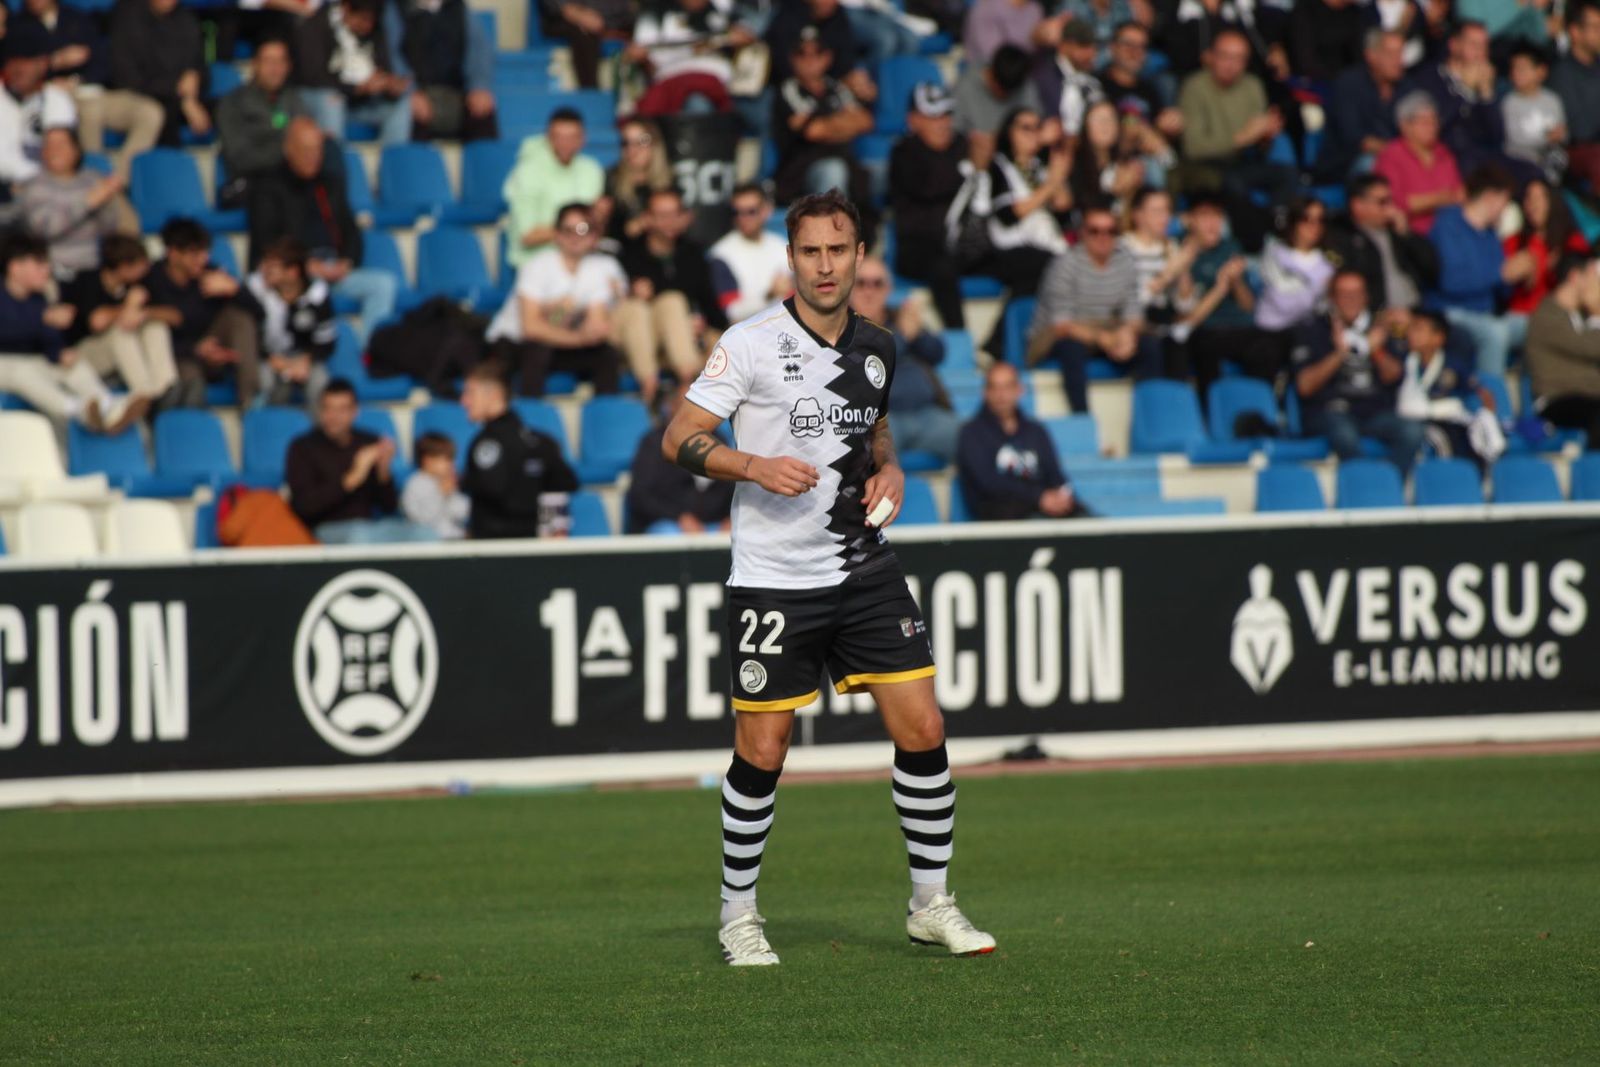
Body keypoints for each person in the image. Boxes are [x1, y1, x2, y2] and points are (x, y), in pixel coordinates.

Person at [659, 188, 996, 966]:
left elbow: (873, 430)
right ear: (791, 258)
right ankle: (737, 915)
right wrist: (751, 464)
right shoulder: (747, 343)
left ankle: (930, 903)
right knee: (764, 748)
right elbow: (681, 435)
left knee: (925, 728)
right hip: (775, 576)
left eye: (837, 250)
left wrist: (894, 471)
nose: (823, 265)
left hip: (862, 564)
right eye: (809, 251)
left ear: (858, 257)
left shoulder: (878, 345)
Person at [247, 117, 397, 334]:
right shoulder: (268, 188)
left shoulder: (330, 184)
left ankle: (367, 355)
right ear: (289, 149)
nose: (313, 157)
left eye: (318, 150)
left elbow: (351, 232)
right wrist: (305, 265)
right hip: (294, 273)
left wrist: (347, 262)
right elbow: (267, 242)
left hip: (333, 271)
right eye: (306, 150)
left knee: (384, 284)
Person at [0, 233, 145, 433]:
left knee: (73, 362)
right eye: (39, 264)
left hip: (33, 361)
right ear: (15, 267)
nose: (46, 270)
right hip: (7, 365)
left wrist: (59, 352)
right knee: (22, 373)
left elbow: (49, 339)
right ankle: (77, 410)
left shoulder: (39, 298)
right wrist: (42, 318)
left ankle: (106, 403)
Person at [1029, 201, 1162, 413]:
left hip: (1108, 331)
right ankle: (1082, 418)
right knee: (1071, 348)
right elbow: (1062, 325)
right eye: (1095, 231)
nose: (1103, 237)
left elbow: (1134, 315)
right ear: (1083, 233)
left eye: (1110, 231)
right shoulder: (1064, 264)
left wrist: (1127, 334)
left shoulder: (1125, 261)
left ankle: (1151, 415)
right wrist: (1105, 339)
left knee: (1149, 345)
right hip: (1057, 336)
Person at [485, 201, 625, 397]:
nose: (575, 236)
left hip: (560, 341)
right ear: (557, 234)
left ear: (594, 235)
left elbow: (596, 321)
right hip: (513, 343)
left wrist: (589, 330)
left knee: (606, 354)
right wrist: (579, 337)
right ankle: (531, 414)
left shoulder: (597, 269)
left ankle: (608, 415)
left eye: (582, 229)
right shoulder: (538, 265)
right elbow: (531, 328)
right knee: (537, 351)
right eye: (567, 230)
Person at [1176, 29, 1300, 252]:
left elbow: (1260, 146)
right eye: (1225, 56)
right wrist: (1242, 138)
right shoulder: (1194, 87)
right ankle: (1253, 244)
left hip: (1243, 163)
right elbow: (1194, 148)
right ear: (1210, 56)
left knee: (1287, 173)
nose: (1231, 64)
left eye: (1239, 58)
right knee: (1233, 183)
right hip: (1203, 167)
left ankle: (1276, 228)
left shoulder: (1252, 86)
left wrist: (1266, 136)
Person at [15, 0, 164, 182]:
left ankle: (118, 180)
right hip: (49, 99)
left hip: (90, 90)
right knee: (91, 111)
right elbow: (15, 77)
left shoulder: (77, 18)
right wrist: (54, 64)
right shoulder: (18, 26)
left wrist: (77, 81)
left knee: (150, 112)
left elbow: (102, 62)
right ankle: (94, 181)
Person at [1291, 268, 1424, 471]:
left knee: (1412, 431)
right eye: (1344, 294)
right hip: (1331, 411)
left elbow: (1394, 376)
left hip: (1374, 412)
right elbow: (1304, 386)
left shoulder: (1380, 328)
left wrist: (1375, 350)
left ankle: (1389, 487)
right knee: (1344, 433)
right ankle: (1364, 488)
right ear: (1332, 298)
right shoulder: (1314, 329)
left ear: (1366, 297)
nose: (1350, 300)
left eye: (1356, 294)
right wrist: (1339, 354)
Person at [617, 186, 728, 405]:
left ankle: (689, 385)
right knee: (669, 302)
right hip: (643, 338)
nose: (668, 222)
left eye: (674, 214)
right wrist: (632, 291)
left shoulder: (693, 255)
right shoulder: (628, 254)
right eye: (661, 215)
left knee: (722, 339)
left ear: (684, 217)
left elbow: (713, 310)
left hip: (683, 339)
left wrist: (701, 324)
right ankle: (671, 385)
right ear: (647, 218)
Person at [1164, 193, 1278, 404]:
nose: (1213, 223)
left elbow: (1248, 306)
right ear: (1189, 220)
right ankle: (1211, 414)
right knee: (1205, 349)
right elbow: (1187, 318)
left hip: (1237, 326)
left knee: (1267, 347)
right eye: (1205, 216)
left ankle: (1260, 410)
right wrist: (1221, 286)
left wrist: (1236, 283)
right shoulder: (1177, 251)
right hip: (1203, 330)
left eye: (1217, 216)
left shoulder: (1230, 248)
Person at [286, 379, 428, 543]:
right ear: (320, 411)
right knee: (360, 536)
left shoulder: (368, 441)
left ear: (355, 412)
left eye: (342, 409)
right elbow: (304, 507)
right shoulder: (302, 447)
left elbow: (388, 507)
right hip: (325, 529)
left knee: (425, 534)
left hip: (370, 527)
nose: (334, 416)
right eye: (328, 408)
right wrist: (352, 478)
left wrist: (383, 470)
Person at [144, 217, 264, 408]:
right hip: (178, 356)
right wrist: (195, 348)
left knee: (239, 316)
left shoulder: (211, 272)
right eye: (194, 253)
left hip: (216, 352)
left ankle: (252, 405)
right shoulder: (150, 281)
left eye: (205, 252)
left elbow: (259, 314)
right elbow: (149, 337)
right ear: (173, 253)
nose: (203, 259)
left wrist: (234, 289)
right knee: (192, 382)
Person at [851, 256, 961, 461]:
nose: (869, 291)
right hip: (880, 422)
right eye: (861, 283)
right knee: (875, 459)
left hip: (927, 416)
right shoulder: (843, 327)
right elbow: (870, 365)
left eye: (877, 284)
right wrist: (902, 336)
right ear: (849, 287)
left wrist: (918, 332)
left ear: (888, 289)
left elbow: (937, 353)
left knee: (974, 441)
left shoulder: (900, 316)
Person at [459, 361, 580, 539]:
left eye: (470, 392)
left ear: (494, 394)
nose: (464, 401)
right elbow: (561, 487)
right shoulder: (542, 442)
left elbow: (492, 489)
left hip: (493, 553)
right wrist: (553, 532)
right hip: (535, 554)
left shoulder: (485, 443)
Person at [1428, 164, 1528, 376]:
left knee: (1535, 326)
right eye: (1505, 201)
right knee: (1495, 333)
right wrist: (1500, 274)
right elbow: (1450, 282)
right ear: (1491, 197)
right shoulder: (1448, 224)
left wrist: (1516, 275)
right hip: (1451, 312)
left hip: (1486, 313)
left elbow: (1500, 292)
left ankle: (1539, 403)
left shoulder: (1490, 235)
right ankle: (1492, 404)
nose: (1506, 208)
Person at [58, 233, 177, 404]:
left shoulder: (139, 283)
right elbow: (96, 322)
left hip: (122, 357)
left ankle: (165, 388)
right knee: (120, 333)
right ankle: (145, 397)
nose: (145, 268)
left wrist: (144, 313)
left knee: (155, 327)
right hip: (79, 355)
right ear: (123, 266)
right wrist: (127, 307)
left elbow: (175, 316)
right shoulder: (88, 280)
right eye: (139, 264)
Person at [957, 359, 1081, 521]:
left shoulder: (1036, 431)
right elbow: (988, 483)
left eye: (1007, 387)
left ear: (1019, 390)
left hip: (1043, 506)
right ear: (985, 392)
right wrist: (1038, 497)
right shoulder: (971, 433)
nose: (1001, 395)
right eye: (995, 387)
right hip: (1001, 515)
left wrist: (1062, 496)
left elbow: (1055, 475)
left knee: (1090, 523)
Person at [888, 83, 967, 329]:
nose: (943, 123)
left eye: (947, 115)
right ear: (913, 119)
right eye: (934, 116)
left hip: (962, 244)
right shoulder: (903, 152)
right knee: (942, 267)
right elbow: (929, 186)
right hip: (918, 248)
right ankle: (959, 337)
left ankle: (997, 348)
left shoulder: (962, 145)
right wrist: (972, 166)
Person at [771, 28, 874, 206]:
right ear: (792, 58)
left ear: (828, 57)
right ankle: (834, 232)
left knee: (886, 170)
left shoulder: (837, 88)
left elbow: (866, 122)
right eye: (802, 53)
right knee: (834, 170)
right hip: (801, 173)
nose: (810, 60)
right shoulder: (787, 90)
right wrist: (845, 123)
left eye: (817, 52)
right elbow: (815, 131)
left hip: (846, 162)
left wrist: (830, 126)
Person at [293, 0, 412, 147]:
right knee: (332, 100)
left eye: (371, 21)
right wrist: (357, 88)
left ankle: (394, 164)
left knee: (402, 105)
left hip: (358, 103)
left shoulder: (375, 30)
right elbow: (314, 76)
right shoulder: (317, 24)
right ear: (346, 7)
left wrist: (389, 85)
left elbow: (383, 68)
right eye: (363, 19)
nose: (367, 26)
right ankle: (336, 163)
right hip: (319, 99)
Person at [623, 381, 734, 533]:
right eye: (686, 405)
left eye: (701, 405)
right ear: (670, 407)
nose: (695, 411)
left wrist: (731, 518)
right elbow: (640, 495)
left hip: (714, 525)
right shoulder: (653, 442)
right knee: (667, 534)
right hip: (668, 524)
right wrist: (679, 517)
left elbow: (731, 488)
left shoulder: (719, 440)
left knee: (741, 533)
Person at [503, 107, 606, 271]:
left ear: (583, 139)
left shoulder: (592, 170)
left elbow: (594, 229)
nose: (565, 143)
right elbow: (528, 236)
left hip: (582, 263)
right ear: (547, 138)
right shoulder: (527, 172)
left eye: (572, 137)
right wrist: (577, 230)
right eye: (558, 137)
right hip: (534, 265)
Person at [1397, 308, 1503, 465]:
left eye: (1419, 329)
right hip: (1418, 422)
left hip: (1451, 420)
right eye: (1411, 328)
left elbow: (1481, 394)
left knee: (1469, 437)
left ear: (1438, 338)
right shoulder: (1403, 363)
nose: (1412, 334)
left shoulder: (1453, 366)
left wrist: (1485, 416)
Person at [19, 127, 125, 279]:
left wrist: (106, 201)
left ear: (76, 149)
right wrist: (88, 201)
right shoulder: (35, 186)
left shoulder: (92, 178)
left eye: (61, 144)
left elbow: (109, 228)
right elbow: (44, 229)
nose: (54, 150)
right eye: (49, 145)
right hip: (53, 270)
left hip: (93, 265)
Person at [1323, 174, 1436, 314]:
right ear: (1358, 205)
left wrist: (1407, 235)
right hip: (1375, 317)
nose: (1390, 207)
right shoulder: (1341, 236)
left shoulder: (1397, 233)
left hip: (1414, 313)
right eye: (1383, 202)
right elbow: (1348, 278)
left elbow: (1432, 269)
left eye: (1391, 200)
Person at [387, 0, 498, 142]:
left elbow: (478, 50)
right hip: (415, 91)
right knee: (409, 115)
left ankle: (486, 162)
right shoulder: (395, 9)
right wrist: (410, 92)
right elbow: (390, 55)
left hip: (455, 91)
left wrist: (479, 86)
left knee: (483, 111)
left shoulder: (458, 7)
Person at [246, 237, 337, 406]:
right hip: (266, 358)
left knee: (320, 382)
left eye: (272, 267)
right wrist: (273, 360)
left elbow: (326, 342)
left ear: (292, 272)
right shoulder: (254, 289)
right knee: (262, 380)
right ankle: (260, 426)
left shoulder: (318, 295)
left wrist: (305, 360)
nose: (264, 270)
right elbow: (247, 336)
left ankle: (320, 430)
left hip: (301, 358)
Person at [107, 0, 211, 146]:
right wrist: (179, 93)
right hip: (141, 96)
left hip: (185, 96)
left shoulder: (186, 19)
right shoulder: (128, 21)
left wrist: (194, 76)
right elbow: (129, 79)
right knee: (162, 112)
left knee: (222, 107)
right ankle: (165, 165)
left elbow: (198, 64)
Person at [625, 0, 754, 116]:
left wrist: (742, 39)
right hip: (672, 81)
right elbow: (646, 60)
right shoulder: (654, 14)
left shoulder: (725, 8)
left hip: (726, 82)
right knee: (697, 104)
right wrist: (642, 59)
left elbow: (750, 33)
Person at [1525, 253, 1600, 448]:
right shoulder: (1547, 316)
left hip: (1588, 398)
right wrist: (1597, 314)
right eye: (1594, 276)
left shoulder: (1580, 317)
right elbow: (1591, 347)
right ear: (1576, 277)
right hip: (1558, 399)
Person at [1316, 28, 1405, 184]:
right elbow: (1356, 139)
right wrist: (1402, 154)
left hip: (1398, 158)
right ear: (1371, 55)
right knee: (1374, 165)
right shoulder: (1348, 84)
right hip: (1347, 163)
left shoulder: (1407, 86)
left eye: (1400, 53)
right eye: (1391, 54)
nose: (1398, 60)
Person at [0, 24, 76, 197]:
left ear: (42, 63)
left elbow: (62, 155)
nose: (18, 68)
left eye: (26, 60)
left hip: (53, 191)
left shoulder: (56, 100)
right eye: (13, 60)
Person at [1373, 90, 1462, 237]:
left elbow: (1458, 193)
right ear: (1405, 126)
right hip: (1412, 233)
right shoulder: (1391, 156)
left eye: (1434, 121)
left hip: (1451, 229)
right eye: (1424, 122)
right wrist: (1440, 199)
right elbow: (1395, 202)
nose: (1431, 126)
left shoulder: (1443, 153)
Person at [1069, 97, 1170, 216]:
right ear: (1085, 125)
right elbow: (1078, 205)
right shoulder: (1075, 163)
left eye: (1110, 119)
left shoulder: (1127, 161)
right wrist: (1115, 191)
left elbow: (1169, 163)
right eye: (1098, 120)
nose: (1105, 125)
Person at [1504, 178, 1588, 317]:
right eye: (1528, 197)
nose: (1533, 203)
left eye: (1539, 197)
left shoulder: (1572, 241)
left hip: (1556, 318)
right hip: (1518, 317)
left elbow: (1583, 280)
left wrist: (1559, 268)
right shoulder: (1514, 242)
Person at [709, 182, 792, 322]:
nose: (743, 218)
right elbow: (731, 312)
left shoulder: (781, 246)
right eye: (737, 212)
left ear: (766, 210)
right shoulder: (721, 254)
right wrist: (769, 295)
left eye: (751, 211)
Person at [952, 44, 1042, 169]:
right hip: (978, 162)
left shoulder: (1023, 83)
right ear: (991, 72)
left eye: (1009, 92)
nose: (1004, 95)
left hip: (1020, 161)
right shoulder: (965, 88)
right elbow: (952, 136)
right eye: (1000, 88)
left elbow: (1036, 120)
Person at [1255, 199, 1336, 337]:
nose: (1314, 226)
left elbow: (1328, 306)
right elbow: (1283, 303)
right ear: (1293, 222)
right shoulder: (1274, 251)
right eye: (1306, 219)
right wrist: (1315, 290)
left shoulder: (1328, 262)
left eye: (1320, 220)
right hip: (1272, 331)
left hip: (1310, 331)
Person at [1098, 21, 1183, 143]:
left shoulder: (1150, 89)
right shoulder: (1097, 85)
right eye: (1128, 45)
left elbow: (1156, 131)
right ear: (1113, 47)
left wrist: (1169, 125)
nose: (1135, 52)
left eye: (1141, 47)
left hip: (1149, 157)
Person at [596, 117, 671, 250]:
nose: (632, 150)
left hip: (659, 253)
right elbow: (608, 233)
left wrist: (648, 222)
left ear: (655, 143)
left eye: (641, 141)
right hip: (622, 253)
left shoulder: (670, 182)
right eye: (626, 143)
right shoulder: (611, 179)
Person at [1549, 2, 1600, 193]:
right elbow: (1580, 130)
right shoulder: (1562, 74)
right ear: (1575, 32)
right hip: (1577, 151)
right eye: (1595, 27)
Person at [1032, 18, 1104, 146]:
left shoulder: (1093, 79)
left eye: (1094, 47)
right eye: (1084, 46)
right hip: (1051, 148)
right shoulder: (1044, 76)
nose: (1091, 53)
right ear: (1064, 46)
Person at [1502, 43, 1566, 182]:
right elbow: (1514, 139)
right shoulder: (1509, 103)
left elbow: (1563, 132)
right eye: (1514, 68)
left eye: (1522, 69)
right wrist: (1546, 139)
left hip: (1549, 156)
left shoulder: (1552, 100)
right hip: (1521, 159)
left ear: (1541, 71)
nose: (1516, 73)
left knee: (1560, 157)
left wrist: (1560, 135)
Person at [402, 431, 470, 539]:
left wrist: (450, 493)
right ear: (427, 460)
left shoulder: (444, 483)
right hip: (427, 542)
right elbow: (423, 520)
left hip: (453, 538)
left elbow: (462, 512)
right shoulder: (415, 483)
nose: (452, 465)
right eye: (447, 460)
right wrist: (441, 494)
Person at [1286, 0, 1367, 86]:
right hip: (1314, 84)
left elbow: (1360, 56)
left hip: (1351, 82)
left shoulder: (1356, 13)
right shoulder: (1305, 12)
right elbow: (1306, 61)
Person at [963, 0, 1046, 65]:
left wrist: (1037, 39)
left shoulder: (1036, 11)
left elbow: (1033, 54)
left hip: (1017, 74)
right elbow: (995, 58)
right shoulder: (987, 6)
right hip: (980, 70)